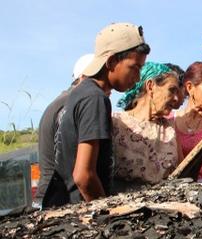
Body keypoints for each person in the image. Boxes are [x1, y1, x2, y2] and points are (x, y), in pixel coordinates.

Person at [43, 22, 149, 208]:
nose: (138, 77)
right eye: (134, 67)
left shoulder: (80, 92)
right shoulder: (95, 99)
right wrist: (108, 214)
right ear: (111, 62)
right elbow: (83, 175)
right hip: (80, 210)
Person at [35, 53, 94, 206]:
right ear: (83, 78)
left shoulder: (62, 101)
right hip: (59, 197)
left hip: (48, 194)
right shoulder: (75, 103)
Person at [112, 62, 182, 187]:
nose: (176, 98)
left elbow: (182, 172)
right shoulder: (117, 123)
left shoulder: (170, 129)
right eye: (172, 90)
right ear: (150, 86)